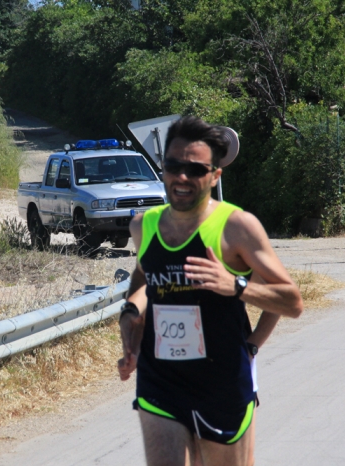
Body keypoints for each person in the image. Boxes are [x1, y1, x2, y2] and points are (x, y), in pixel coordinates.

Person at [117, 116, 303, 466]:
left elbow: (291, 300)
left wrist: (236, 287)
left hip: (222, 383)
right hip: (161, 381)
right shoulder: (144, 225)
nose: (182, 177)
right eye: (173, 166)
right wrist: (131, 314)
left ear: (215, 176)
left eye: (195, 169)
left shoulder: (236, 226)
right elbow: (145, 275)